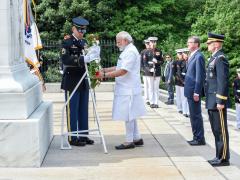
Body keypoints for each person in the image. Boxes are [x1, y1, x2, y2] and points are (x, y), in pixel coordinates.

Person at [96, 31, 146, 150]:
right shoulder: (128, 50)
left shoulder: (130, 52)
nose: (117, 44)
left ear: (125, 40)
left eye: (118, 42)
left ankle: (129, 141)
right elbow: (119, 67)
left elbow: (123, 71)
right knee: (131, 114)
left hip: (128, 89)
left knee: (128, 115)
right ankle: (137, 138)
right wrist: (104, 70)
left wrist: (104, 75)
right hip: (127, 88)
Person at [60, 17, 100, 146]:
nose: (82, 32)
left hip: (84, 79)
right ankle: (73, 137)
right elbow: (66, 59)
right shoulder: (67, 43)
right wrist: (83, 59)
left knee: (83, 109)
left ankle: (83, 135)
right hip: (72, 80)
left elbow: (90, 58)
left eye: (83, 30)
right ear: (73, 29)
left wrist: (94, 57)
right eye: (79, 30)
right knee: (73, 109)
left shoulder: (84, 42)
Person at [206, 32, 230, 166]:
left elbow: (223, 81)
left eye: (209, 43)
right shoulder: (213, 58)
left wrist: (221, 100)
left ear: (216, 44)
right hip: (211, 99)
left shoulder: (221, 59)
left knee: (221, 130)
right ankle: (218, 155)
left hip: (217, 100)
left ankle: (224, 158)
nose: (207, 45)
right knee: (216, 130)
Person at [184, 36, 206, 146]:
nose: (188, 44)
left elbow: (199, 76)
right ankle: (196, 136)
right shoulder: (192, 55)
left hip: (194, 91)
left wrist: (197, 92)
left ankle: (199, 138)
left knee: (196, 115)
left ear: (196, 44)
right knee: (193, 115)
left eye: (190, 42)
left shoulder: (199, 56)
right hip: (189, 90)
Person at [146, 37, 164, 108]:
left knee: (156, 88)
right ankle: (151, 102)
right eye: (152, 42)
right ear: (149, 43)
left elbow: (162, 61)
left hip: (157, 72)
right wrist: (149, 69)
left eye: (155, 42)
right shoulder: (147, 52)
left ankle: (156, 102)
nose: (153, 44)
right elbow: (144, 63)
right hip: (150, 72)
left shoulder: (159, 51)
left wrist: (157, 62)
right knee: (151, 88)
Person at [173, 49, 185, 113]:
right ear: (177, 54)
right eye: (179, 54)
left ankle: (184, 108)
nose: (180, 55)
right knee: (178, 96)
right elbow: (174, 72)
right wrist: (178, 78)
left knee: (183, 96)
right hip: (177, 82)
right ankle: (179, 108)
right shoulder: (175, 62)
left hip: (183, 82)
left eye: (181, 53)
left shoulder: (184, 61)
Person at [141, 39, 151, 105]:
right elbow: (141, 62)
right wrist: (142, 69)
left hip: (151, 72)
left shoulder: (152, 51)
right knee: (146, 86)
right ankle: (147, 99)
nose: (147, 45)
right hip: (145, 71)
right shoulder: (143, 51)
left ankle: (151, 99)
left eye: (148, 43)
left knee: (150, 86)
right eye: (146, 44)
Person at [181, 48, 190, 117]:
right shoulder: (182, 62)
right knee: (184, 97)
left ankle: (189, 112)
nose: (185, 56)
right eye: (184, 55)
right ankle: (184, 111)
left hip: (189, 82)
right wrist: (182, 81)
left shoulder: (190, 61)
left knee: (189, 97)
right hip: (183, 82)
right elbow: (178, 72)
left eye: (185, 54)